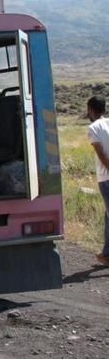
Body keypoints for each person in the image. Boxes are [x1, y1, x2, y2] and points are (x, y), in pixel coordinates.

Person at [86, 96, 109, 266]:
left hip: (106, 178)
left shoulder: (93, 128)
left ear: (91, 110)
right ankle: (106, 253)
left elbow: (101, 155)